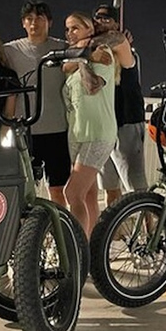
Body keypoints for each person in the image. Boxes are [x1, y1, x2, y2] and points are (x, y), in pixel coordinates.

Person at [62, 12, 135, 237]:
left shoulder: (103, 53)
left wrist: (86, 55)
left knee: (72, 193)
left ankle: (77, 248)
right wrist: (83, 55)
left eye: (76, 28)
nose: (70, 33)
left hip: (98, 132)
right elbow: (64, 67)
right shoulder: (75, 58)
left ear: (89, 30)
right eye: (67, 29)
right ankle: (92, 243)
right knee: (88, 194)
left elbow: (92, 86)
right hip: (78, 134)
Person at [3, 0, 70, 206]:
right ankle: (27, 235)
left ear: (49, 22)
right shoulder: (9, 50)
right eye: (29, 19)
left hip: (58, 130)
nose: (34, 23)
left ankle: (60, 233)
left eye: (39, 18)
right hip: (25, 131)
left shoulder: (63, 48)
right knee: (23, 190)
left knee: (58, 189)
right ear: (23, 23)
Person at [93, 4, 148, 207]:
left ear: (116, 23)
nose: (101, 22)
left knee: (135, 185)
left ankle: (151, 230)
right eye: (97, 18)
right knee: (110, 186)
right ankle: (114, 231)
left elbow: (117, 40)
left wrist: (83, 42)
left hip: (127, 121)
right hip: (103, 126)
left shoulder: (121, 45)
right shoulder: (93, 52)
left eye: (107, 19)